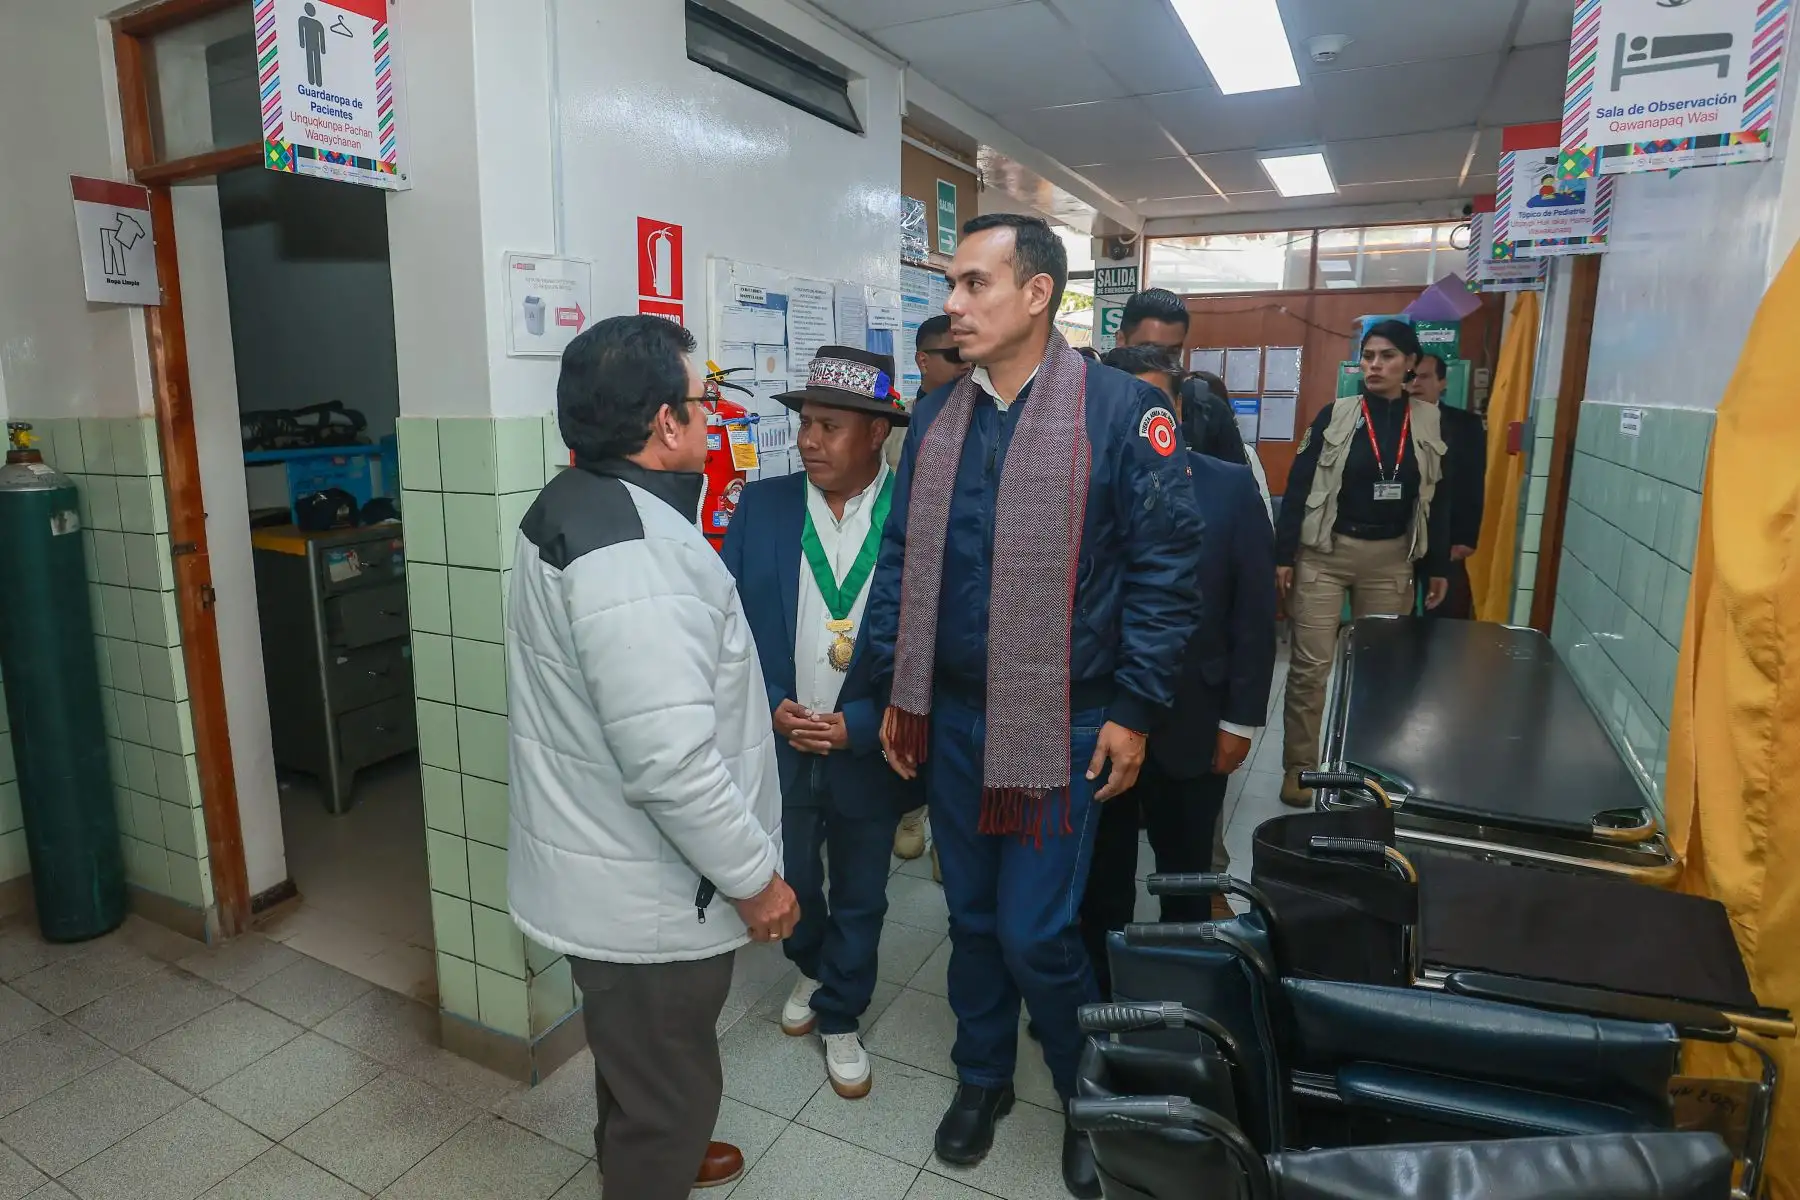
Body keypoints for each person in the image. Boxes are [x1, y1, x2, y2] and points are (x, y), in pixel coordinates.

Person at [865, 214, 1204, 1197]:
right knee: (970, 918)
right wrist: (899, 689)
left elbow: (1165, 574)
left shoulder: (1115, 414)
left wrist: (1136, 711)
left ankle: (1088, 1097)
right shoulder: (938, 416)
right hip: (955, 717)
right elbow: (901, 563)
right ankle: (983, 1077)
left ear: (1037, 294)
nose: (954, 305)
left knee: (1036, 932)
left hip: (1065, 719)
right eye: (952, 285)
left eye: (974, 284)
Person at [505, 315, 800, 1199]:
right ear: (666, 424)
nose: (715, 417)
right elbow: (670, 763)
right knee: (668, 1070)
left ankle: (651, 1137)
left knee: (639, 1056)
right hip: (651, 895)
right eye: (705, 401)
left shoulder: (577, 500)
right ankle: (654, 1157)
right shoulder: (636, 557)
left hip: (617, 872)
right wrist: (757, 878)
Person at [720, 347, 921, 1101]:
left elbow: (933, 641)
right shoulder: (765, 507)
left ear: (876, 433)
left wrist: (862, 724)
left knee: (864, 891)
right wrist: (768, 698)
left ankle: (841, 1012)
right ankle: (813, 964)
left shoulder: (914, 516)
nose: (808, 440)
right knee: (793, 882)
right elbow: (730, 626)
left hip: (866, 747)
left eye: (829, 427)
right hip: (780, 739)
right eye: (805, 423)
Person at [1083, 347, 1276, 988]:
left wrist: (1241, 721)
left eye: (1154, 404)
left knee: (1186, 876)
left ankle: (1184, 994)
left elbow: (1253, 613)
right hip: (1100, 721)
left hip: (1194, 722)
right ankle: (1100, 991)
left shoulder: (1225, 486)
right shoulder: (1077, 488)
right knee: (1099, 877)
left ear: (1177, 410)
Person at [1275, 320, 1450, 807]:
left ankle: (1366, 770)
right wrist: (1283, 554)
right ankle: (1300, 768)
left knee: (1381, 672)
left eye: (1387, 356)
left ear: (1410, 364)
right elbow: (1299, 485)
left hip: (1391, 559)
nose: (1374, 365)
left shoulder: (1430, 421)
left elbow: (1438, 501)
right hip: (1325, 556)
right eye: (1369, 356)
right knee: (1311, 669)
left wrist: (1439, 567)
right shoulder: (1336, 415)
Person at [1117, 288, 1249, 466]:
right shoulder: (1089, 403)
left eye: (1172, 352)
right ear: (1121, 341)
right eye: (1148, 349)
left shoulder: (1207, 411)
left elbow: (1237, 487)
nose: (1160, 362)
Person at [1411, 353, 1485, 620]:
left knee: (1443, 616)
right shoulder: (1391, 422)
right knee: (1397, 618)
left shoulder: (1465, 426)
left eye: (1425, 376)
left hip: (1446, 537)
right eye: (1411, 376)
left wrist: (1466, 536)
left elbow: (1472, 482)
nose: (1416, 383)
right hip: (1399, 537)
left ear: (1442, 382)